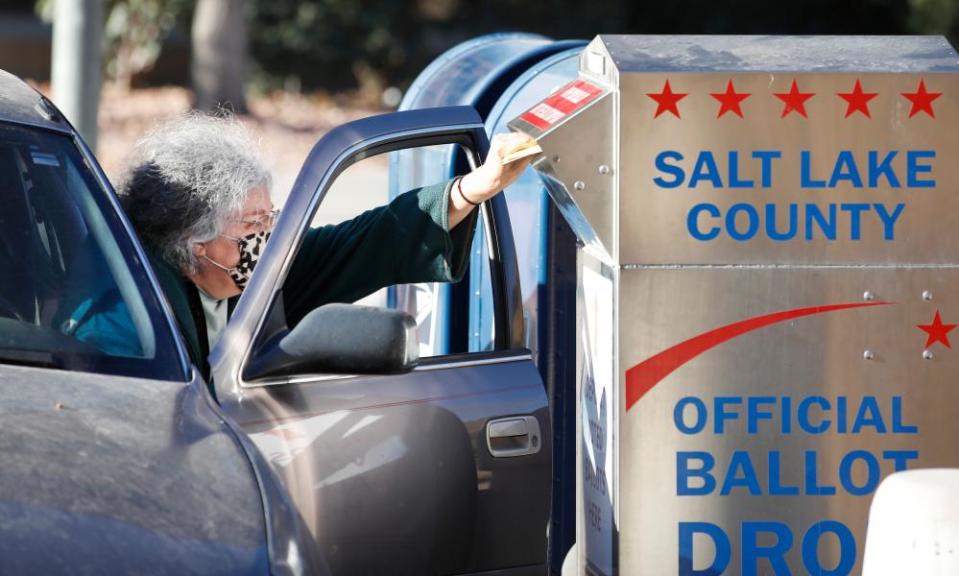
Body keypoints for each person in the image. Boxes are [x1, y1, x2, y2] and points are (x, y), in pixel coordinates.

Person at [119, 113, 533, 386]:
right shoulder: (135, 317)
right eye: (251, 225)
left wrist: (474, 188)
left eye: (270, 219)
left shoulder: (257, 277)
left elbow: (368, 241)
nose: (265, 240)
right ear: (193, 246)